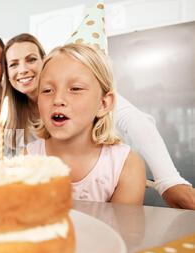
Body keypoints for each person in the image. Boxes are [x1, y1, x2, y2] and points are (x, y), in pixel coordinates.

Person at [3, 32, 194, 209]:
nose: (23, 69)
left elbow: (136, 120)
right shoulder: (17, 129)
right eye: (13, 64)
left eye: (31, 59)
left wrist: (168, 180)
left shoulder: (123, 165)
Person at [28, 43, 146, 204]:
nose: (57, 100)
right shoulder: (27, 159)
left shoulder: (126, 166)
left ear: (103, 104)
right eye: (47, 90)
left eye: (75, 88)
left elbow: (124, 229)